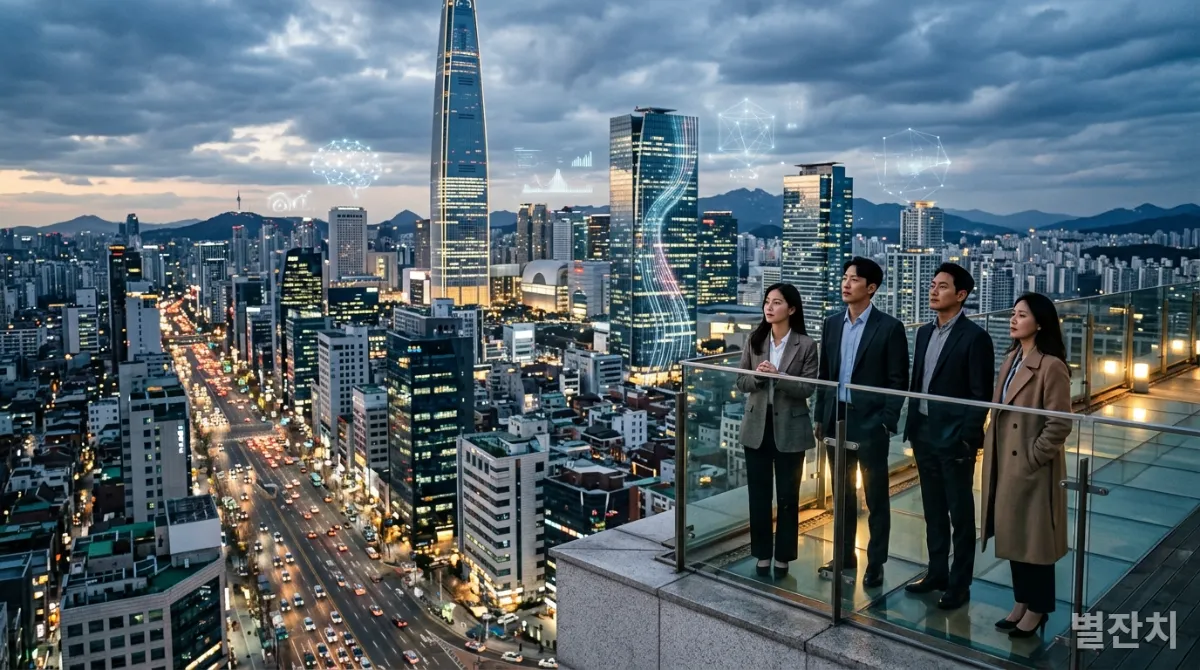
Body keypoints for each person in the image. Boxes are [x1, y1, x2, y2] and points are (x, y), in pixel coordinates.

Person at [980, 293, 1073, 638]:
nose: (1014, 320)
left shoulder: (1051, 365)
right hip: (1006, 460)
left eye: (1022, 315)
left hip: (1031, 468)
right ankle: (1021, 602)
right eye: (1014, 314)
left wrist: (1033, 457)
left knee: (1035, 542)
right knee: (1014, 536)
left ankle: (1038, 609)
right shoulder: (1013, 358)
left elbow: (1060, 422)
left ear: (1040, 322)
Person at [903, 263, 994, 610]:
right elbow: (918, 382)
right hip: (924, 432)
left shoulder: (975, 337)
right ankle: (936, 572)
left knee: (960, 513)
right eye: (932, 285)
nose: (933, 291)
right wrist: (912, 425)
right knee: (933, 510)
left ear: (961, 295)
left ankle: (960, 584)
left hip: (955, 438)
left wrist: (968, 439)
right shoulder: (925, 332)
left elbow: (979, 394)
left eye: (942, 286)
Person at [815, 257, 909, 587]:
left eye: (854, 279)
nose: (846, 283)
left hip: (870, 423)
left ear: (871, 288)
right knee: (842, 495)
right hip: (836, 419)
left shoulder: (889, 328)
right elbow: (824, 374)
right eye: (844, 277)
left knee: (875, 496)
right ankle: (844, 557)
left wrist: (886, 422)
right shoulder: (831, 323)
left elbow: (899, 380)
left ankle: (876, 561)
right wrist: (820, 416)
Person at [735, 283, 819, 578]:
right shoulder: (754, 340)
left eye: (777, 303)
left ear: (792, 309)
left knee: (787, 496)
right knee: (758, 496)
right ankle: (761, 553)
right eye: (767, 302)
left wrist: (779, 376)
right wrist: (758, 377)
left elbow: (807, 388)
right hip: (757, 426)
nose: (769, 308)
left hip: (791, 429)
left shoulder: (806, 345)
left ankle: (783, 555)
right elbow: (740, 382)